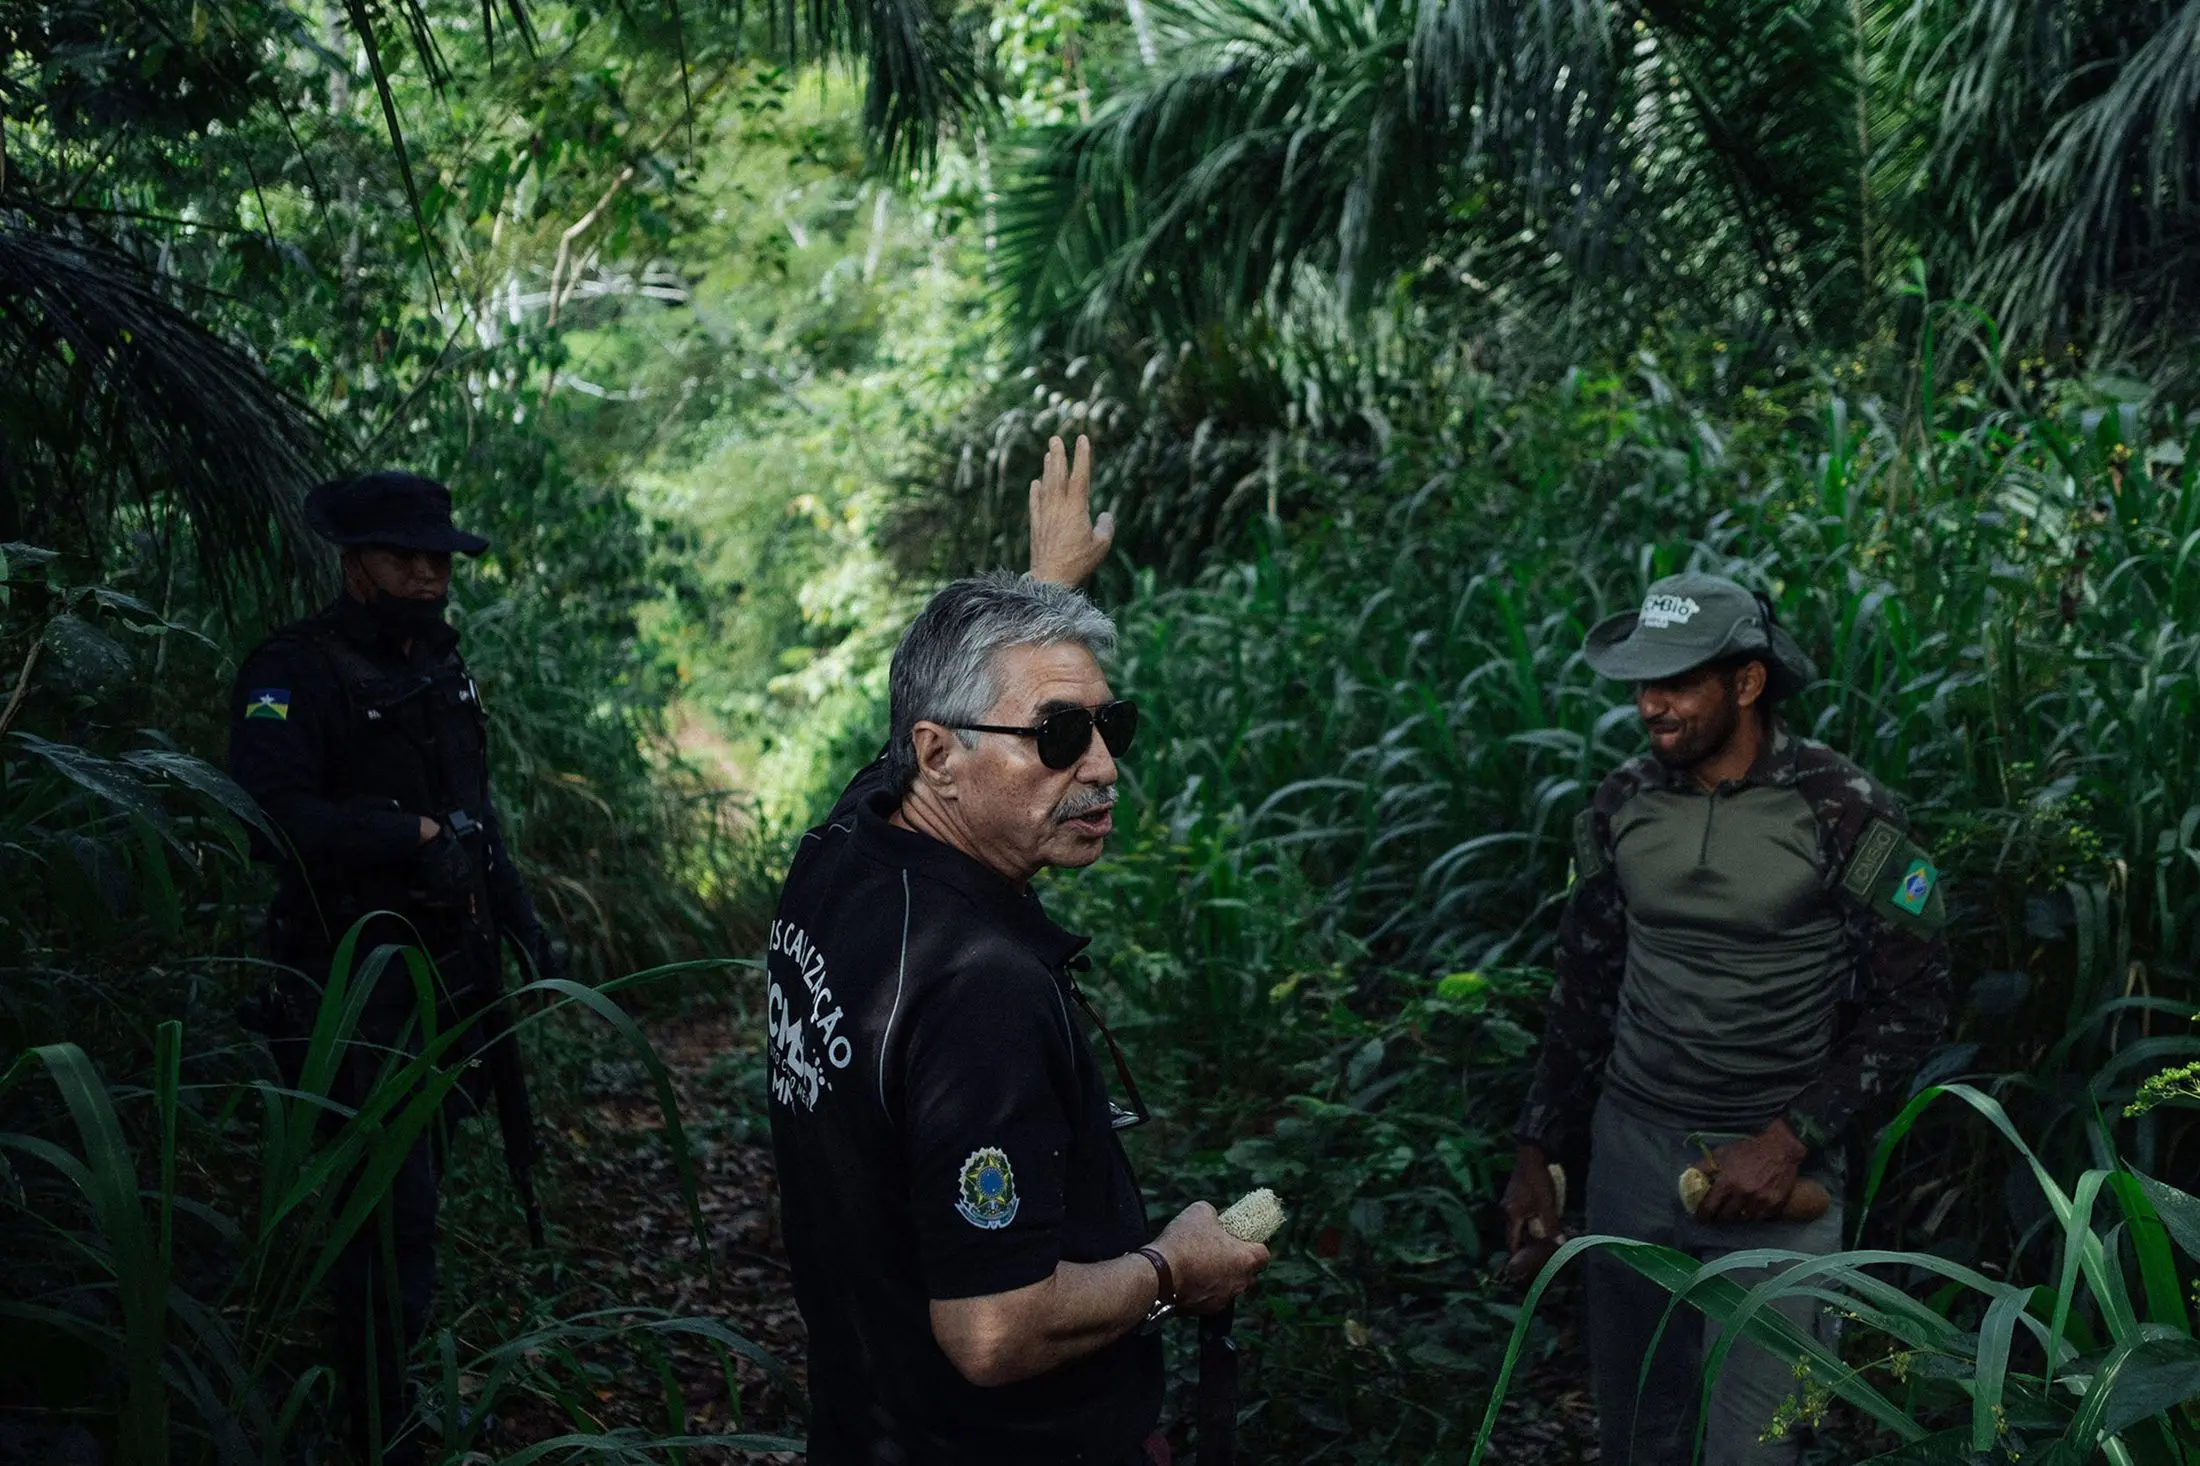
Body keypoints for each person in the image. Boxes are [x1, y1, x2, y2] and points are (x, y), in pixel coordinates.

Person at [764, 437, 1271, 1463]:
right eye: (1055, 735)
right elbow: (993, 1329)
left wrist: (1042, 593)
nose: (1102, 767)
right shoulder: (978, 990)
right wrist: (1174, 1267)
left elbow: (935, 709)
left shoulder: (841, 850)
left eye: (1106, 726)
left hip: (869, 1416)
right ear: (938, 754)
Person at [1501, 573, 1952, 1466]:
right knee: (1641, 1436)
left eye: (1676, 682)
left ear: (1746, 684)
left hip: (1777, 1174)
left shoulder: (1845, 809)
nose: (1649, 704)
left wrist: (1790, 1139)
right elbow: (1582, 987)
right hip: (1632, 1155)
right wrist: (1535, 1149)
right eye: (1640, 683)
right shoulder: (1618, 803)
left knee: (1758, 1449)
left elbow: (1918, 1000)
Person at [228, 471, 563, 1460]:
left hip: (445, 976)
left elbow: (478, 816)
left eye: (437, 557)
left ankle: (394, 1395)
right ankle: (378, 1422)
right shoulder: (291, 671)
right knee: (382, 1211)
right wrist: (403, 834)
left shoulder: (440, 665)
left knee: (416, 1198)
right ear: (354, 560)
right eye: (402, 554)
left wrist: (522, 924)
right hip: (347, 983)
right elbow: (269, 819)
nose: (426, 570)